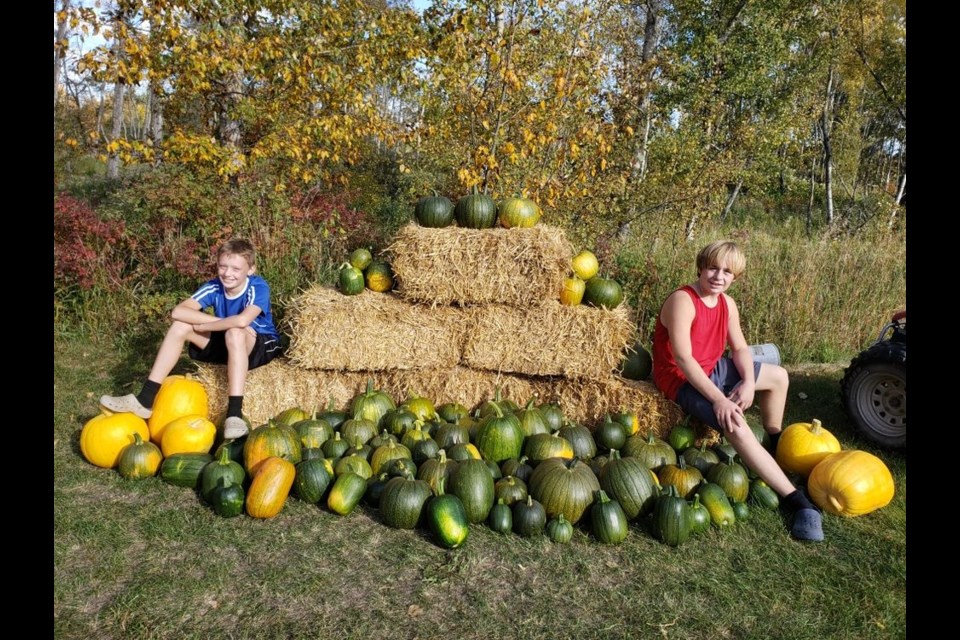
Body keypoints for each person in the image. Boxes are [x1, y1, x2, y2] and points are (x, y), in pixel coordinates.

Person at [651, 240, 823, 541]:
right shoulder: (683, 300)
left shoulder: (727, 304)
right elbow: (683, 358)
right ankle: (798, 502)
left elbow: (741, 347)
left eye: (727, 272)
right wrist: (720, 400)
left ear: (735, 277)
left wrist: (746, 382)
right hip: (681, 378)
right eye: (713, 268)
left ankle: (774, 443)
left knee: (779, 377)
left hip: (713, 367)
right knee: (736, 423)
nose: (719, 276)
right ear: (701, 267)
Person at [100, 238, 282, 440]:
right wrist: (218, 323)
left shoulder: (258, 286)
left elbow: (242, 320)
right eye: (222, 266)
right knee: (181, 327)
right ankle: (145, 399)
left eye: (236, 269)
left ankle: (234, 414)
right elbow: (178, 312)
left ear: (250, 269)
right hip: (229, 341)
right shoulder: (214, 286)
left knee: (235, 331)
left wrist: (206, 326)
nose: (227, 273)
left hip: (260, 345)